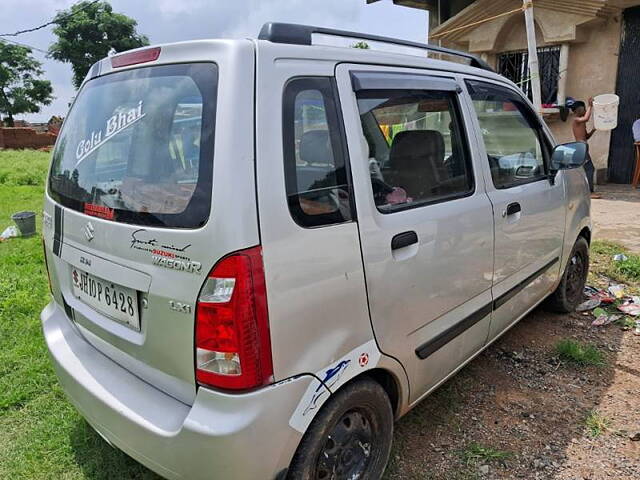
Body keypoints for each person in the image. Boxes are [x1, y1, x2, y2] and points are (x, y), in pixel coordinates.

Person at [570, 98, 596, 192]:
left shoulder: (581, 122)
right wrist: (590, 106)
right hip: (581, 147)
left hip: (583, 147)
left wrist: (594, 129)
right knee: (589, 168)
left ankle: (585, 189)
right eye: (584, 109)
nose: (585, 111)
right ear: (579, 110)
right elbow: (586, 118)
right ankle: (589, 191)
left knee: (585, 169)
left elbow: (586, 136)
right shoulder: (576, 120)